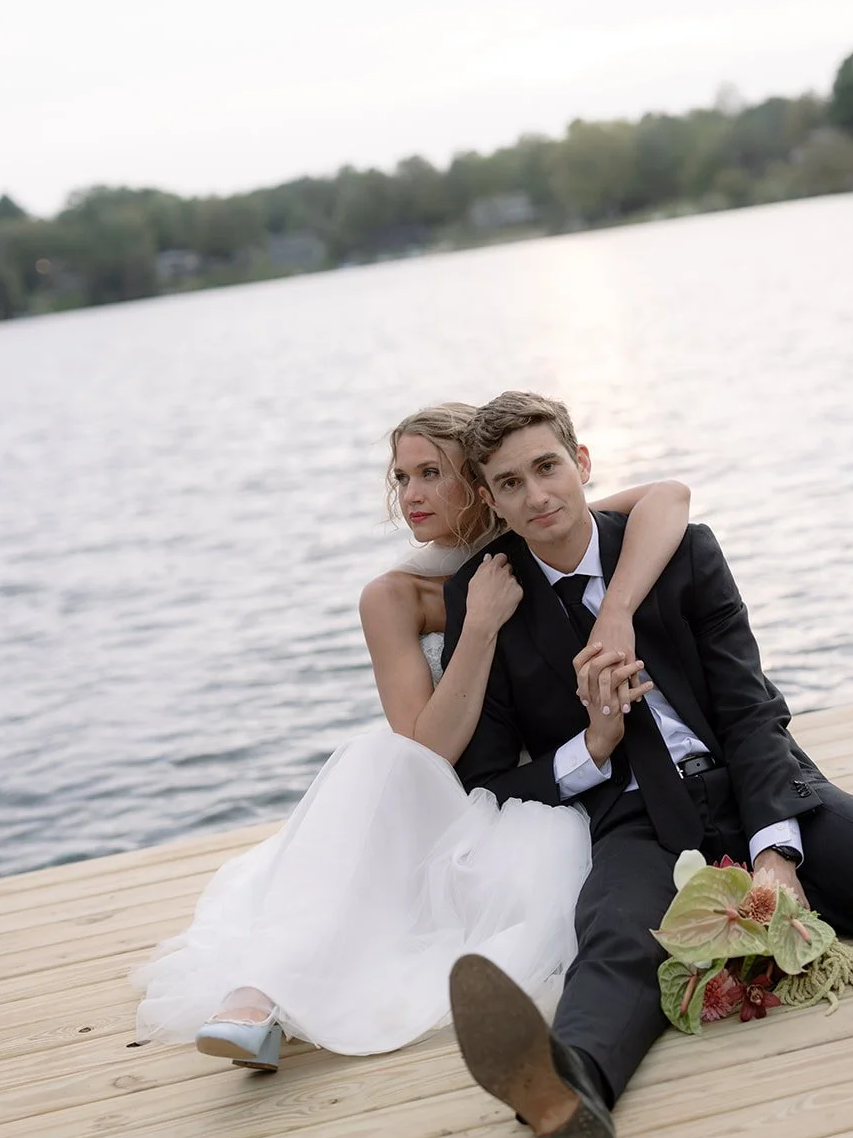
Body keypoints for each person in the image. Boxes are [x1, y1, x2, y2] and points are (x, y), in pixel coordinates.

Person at [442, 390, 853, 1138]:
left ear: (581, 461)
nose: (536, 495)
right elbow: (487, 778)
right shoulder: (484, 601)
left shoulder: (680, 552)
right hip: (632, 815)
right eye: (510, 483)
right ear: (490, 499)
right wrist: (592, 745)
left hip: (756, 785)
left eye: (546, 467)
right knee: (615, 940)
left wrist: (776, 853)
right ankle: (567, 1094)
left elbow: (749, 710)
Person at [131, 402, 691, 1070]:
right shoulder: (392, 595)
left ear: (478, 485)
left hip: (534, 790)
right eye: (401, 477)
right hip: (435, 794)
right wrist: (478, 624)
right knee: (372, 761)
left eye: (431, 473)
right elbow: (426, 752)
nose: (411, 495)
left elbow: (667, 497)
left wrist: (616, 610)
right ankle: (255, 999)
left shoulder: (536, 531)